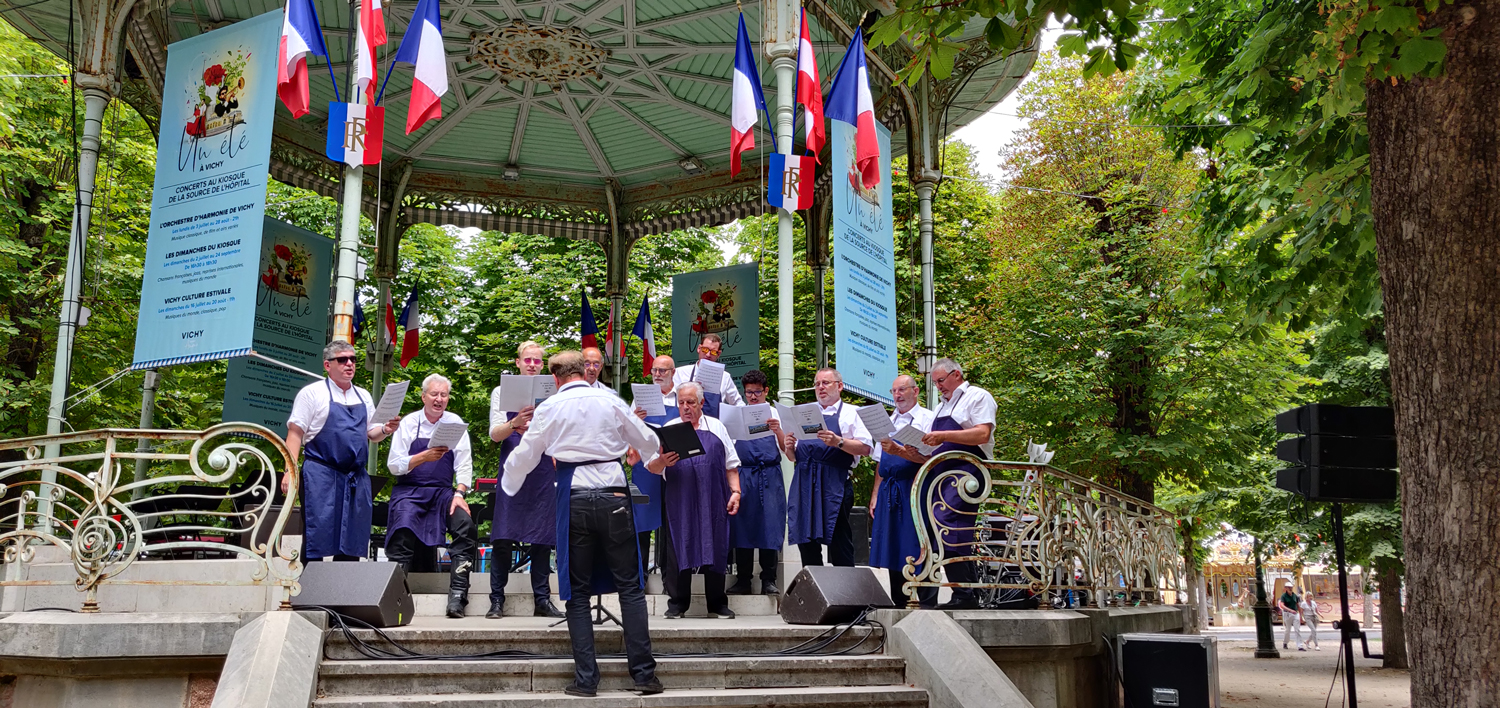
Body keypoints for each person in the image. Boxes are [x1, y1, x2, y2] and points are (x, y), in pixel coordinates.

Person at [500, 350, 662, 697]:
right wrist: (651, 459)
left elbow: (526, 454)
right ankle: (644, 676)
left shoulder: (550, 408)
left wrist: (509, 485)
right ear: (582, 371)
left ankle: (587, 680)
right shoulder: (610, 401)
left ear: (556, 378)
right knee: (631, 588)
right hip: (615, 496)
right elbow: (647, 440)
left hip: (573, 497)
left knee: (576, 593)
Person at [283, 341, 400, 562]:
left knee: (353, 539)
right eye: (343, 360)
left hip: (356, 477)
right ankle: (309, 591)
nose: (350, 364)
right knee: (317, 534)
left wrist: (386, 429)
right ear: (327, 365)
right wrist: (290, 470)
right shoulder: (312, 393)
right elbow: (295, 434)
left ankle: (344, 593)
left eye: (353, 359)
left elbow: (372, 434)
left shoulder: (363, 396)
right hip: (321, 475)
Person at [643, 382, 742, 619]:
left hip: (714, 497)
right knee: (679, 545)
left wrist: (736, 493)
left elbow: (731, 465)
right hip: (680, 498)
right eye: (681, 403)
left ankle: (717, 604)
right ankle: (677, 604)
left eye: (690, 402)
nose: (685, 407)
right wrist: (663, 461)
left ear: (701, 403)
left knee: (715, 545)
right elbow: (652, 467)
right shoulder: (669, 428)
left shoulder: (717, 427)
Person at [385, 374, 478, 618]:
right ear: (424, 396)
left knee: (465, 526)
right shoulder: (408, 422)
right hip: (409, 491)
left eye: (444, 395)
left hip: (444, 493)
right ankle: (395, 596)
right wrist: (422, 457)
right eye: (434, 394)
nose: (439, 399)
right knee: (402, 529)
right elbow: (394, 465)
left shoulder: (455, 422)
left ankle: (458, 596)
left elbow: (464, 463)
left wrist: (460, 493)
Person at [487, 341, 564, 619]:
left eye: (537, 361)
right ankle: (496, 600)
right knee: (503, 535)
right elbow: (494, 435)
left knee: (543, 536)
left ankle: (542, 600)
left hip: (543, 470)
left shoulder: (553, 394)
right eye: (527, 360)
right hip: (513, 469)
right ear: (517, 362)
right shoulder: (501, 391)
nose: (532, 364)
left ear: (542, 366)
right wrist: (514, 423)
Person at [921, 357, 997, 610]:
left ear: (957, 374)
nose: (939, 387)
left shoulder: (978, 396)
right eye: (935, 383)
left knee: (953, 531)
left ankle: (966, 594)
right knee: (939, 532)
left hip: (966, 472)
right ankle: (962, 592)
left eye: (941, 381)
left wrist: (943, 435)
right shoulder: (940, 407)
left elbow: (982, 433)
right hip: (941, 473)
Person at [782, 368, 872, 568]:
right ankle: (815, 589)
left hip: (835, 484)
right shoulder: (804, 412)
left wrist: (838, 441)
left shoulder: (851, 413)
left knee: (839, 539)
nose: (820, 387)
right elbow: (793, 456)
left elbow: (866, 448)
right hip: (804, 482)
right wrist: (788, 447)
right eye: (817, 384)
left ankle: (846, 592)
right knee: (806, 540)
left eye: (826, 383)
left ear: (839, 386)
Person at [869, 375, 938, 608]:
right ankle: (899, 601)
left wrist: (900, 451)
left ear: (915, 391)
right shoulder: (888, 421)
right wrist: (875, 494)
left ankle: (927, 600)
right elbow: (880, 462)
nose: (897, 395)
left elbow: (931, 459)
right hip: (890, 489)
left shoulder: (928, 419)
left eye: (902, 390)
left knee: (918, 540)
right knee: (893, 544)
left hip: (916, 486)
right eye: (894, 391)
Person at [726, 369, 787, 596]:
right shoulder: (737, 414)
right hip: (743, 473)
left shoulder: (775, 413)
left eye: (757, 392)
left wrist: (777, 429)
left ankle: (768, 580)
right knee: (742, 525)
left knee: (769, 525)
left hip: (769, 475)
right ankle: (743, 579)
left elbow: (786, 448)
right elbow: (729, 448)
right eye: (749, 392)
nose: (753, 397)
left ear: (766, 391)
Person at [630, 355, 677, 570]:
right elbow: (627, 432)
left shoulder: (681, 396)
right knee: (642, 518)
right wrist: (635, 420)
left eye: (662, 371)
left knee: (672, 519)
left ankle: (671, 575)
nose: (657, 375)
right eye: (654, 371)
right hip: (645, 466)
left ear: (672, 373)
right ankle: (640, 575)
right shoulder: (641, 397)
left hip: (674, 465)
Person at [672, 332, 741, 417]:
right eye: (705, 350)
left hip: (713, 427)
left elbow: (737, 403)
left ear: (718, 354)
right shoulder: (680, 373)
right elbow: (671, 401)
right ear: (699, 348)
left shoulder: (724, 377)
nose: (708, 355)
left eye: (713, 352)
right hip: (686, 426)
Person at [1280, 585, 1305, 650]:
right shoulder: (1283, 596)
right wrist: (1289, 610)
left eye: (1291, 587)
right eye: (1288, 587)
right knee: (1288, 629)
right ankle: (1285, 642)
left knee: (1297, 629)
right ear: (1286, 588)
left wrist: (1300, 616)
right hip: (1287, 613)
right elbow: (1282, 605)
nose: (1290, 589)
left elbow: (1298, 605)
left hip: (1295, 613)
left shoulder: (1295, 596)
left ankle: (1300, 646)